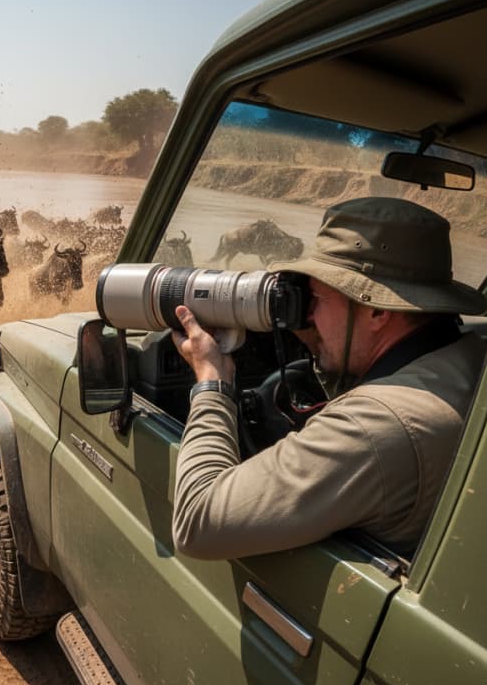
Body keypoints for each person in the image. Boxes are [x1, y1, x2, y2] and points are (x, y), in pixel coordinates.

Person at [170, 197, 486, 560]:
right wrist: (320, 345)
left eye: (315, 298)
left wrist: (212, 381)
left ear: (378, 309)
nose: (306, 316)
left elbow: (198, 522)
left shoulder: (373, 426)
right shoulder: (470, 354)